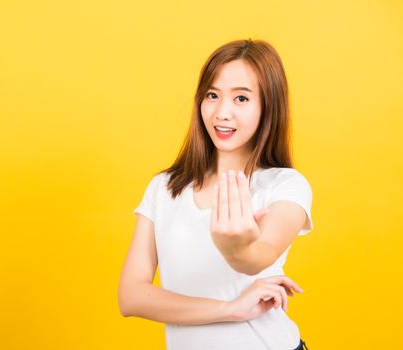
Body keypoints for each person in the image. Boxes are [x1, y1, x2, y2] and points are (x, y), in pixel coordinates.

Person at [118, 38, 313, 350]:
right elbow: (130, 296)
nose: (222, 112)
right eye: (212, 95)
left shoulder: (285, 185)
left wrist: (238, 249)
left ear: (268, 106)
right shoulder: (164, 188)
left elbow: (259, 256)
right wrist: (230, 310)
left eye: (241, 99)